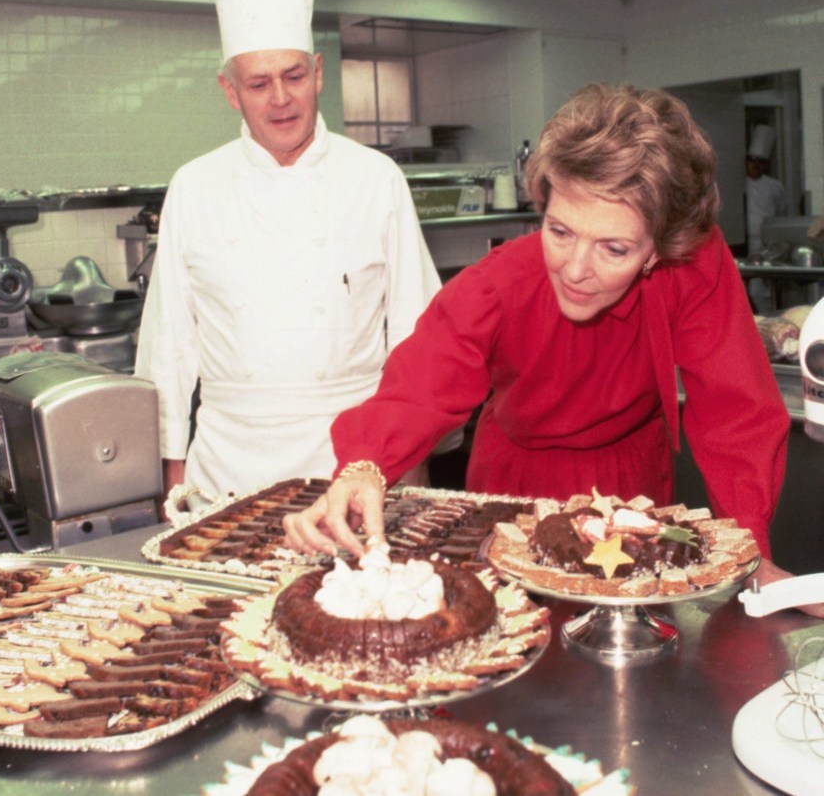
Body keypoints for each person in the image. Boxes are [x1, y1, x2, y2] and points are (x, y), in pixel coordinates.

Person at [284, 83, 811, 607]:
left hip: (635, 484)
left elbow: (735, 410)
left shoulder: (692, 261)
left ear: (659, 248)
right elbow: (422, 380)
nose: (576, 270)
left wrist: (746, 551)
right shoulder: (503, 280)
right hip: (515, 488)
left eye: (615, 248)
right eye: (560, 232)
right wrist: (364, 464)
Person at [135, 0, 440, 509]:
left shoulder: (376, 179)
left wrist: (407, 460)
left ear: (319, 73)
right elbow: (169, 343)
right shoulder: (195, 186)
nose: (281, 99)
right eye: (258, 82)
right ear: (229, 91)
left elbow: (418, 332)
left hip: (354, 457)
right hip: (227, 465)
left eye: (294, 76)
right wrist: (171, 475)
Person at [744, 127, 786, 313]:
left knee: (762, 289)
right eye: (753, 161)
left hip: (767, 245)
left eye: (761, 162)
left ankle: (767, 319)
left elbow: (782, 213)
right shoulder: (740, 184)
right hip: (743, 242)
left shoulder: (775, 186)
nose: (756, 166)